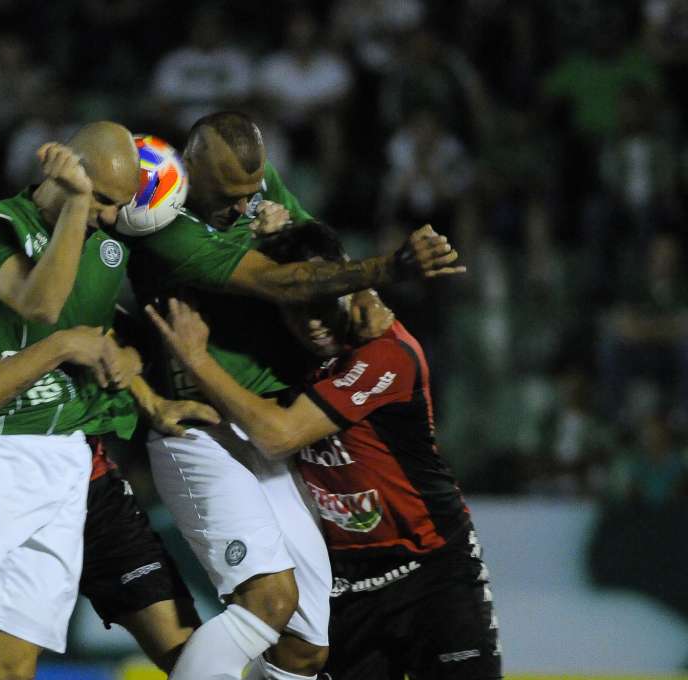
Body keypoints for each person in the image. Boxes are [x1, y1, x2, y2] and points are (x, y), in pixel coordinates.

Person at [124, 111, 463, 680]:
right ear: (193, 169)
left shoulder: (252, 186)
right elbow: (276, 280)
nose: (244, 203)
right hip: (200, 433)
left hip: (269, 431)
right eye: (230, 196)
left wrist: (284, 234)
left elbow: (316, 254)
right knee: (268, 602)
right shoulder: (159, 220)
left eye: (253, 192)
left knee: (307, 645)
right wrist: (391, 265)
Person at [0, 121, 201, 680]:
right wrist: (78, 205)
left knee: (9, 666)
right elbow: (44, 311)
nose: (107, 215)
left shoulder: (104, 245)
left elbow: (101, 334)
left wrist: (141, 383)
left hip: (72, 465)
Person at [145, 221, 501, 680]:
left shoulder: (386, 354)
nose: (311, 322)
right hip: (349, 583)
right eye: (295, 309)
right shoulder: (287, 354)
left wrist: (196, 360)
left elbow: (278, 436)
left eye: (322, 303)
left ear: (348, 287)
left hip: (432, 571)